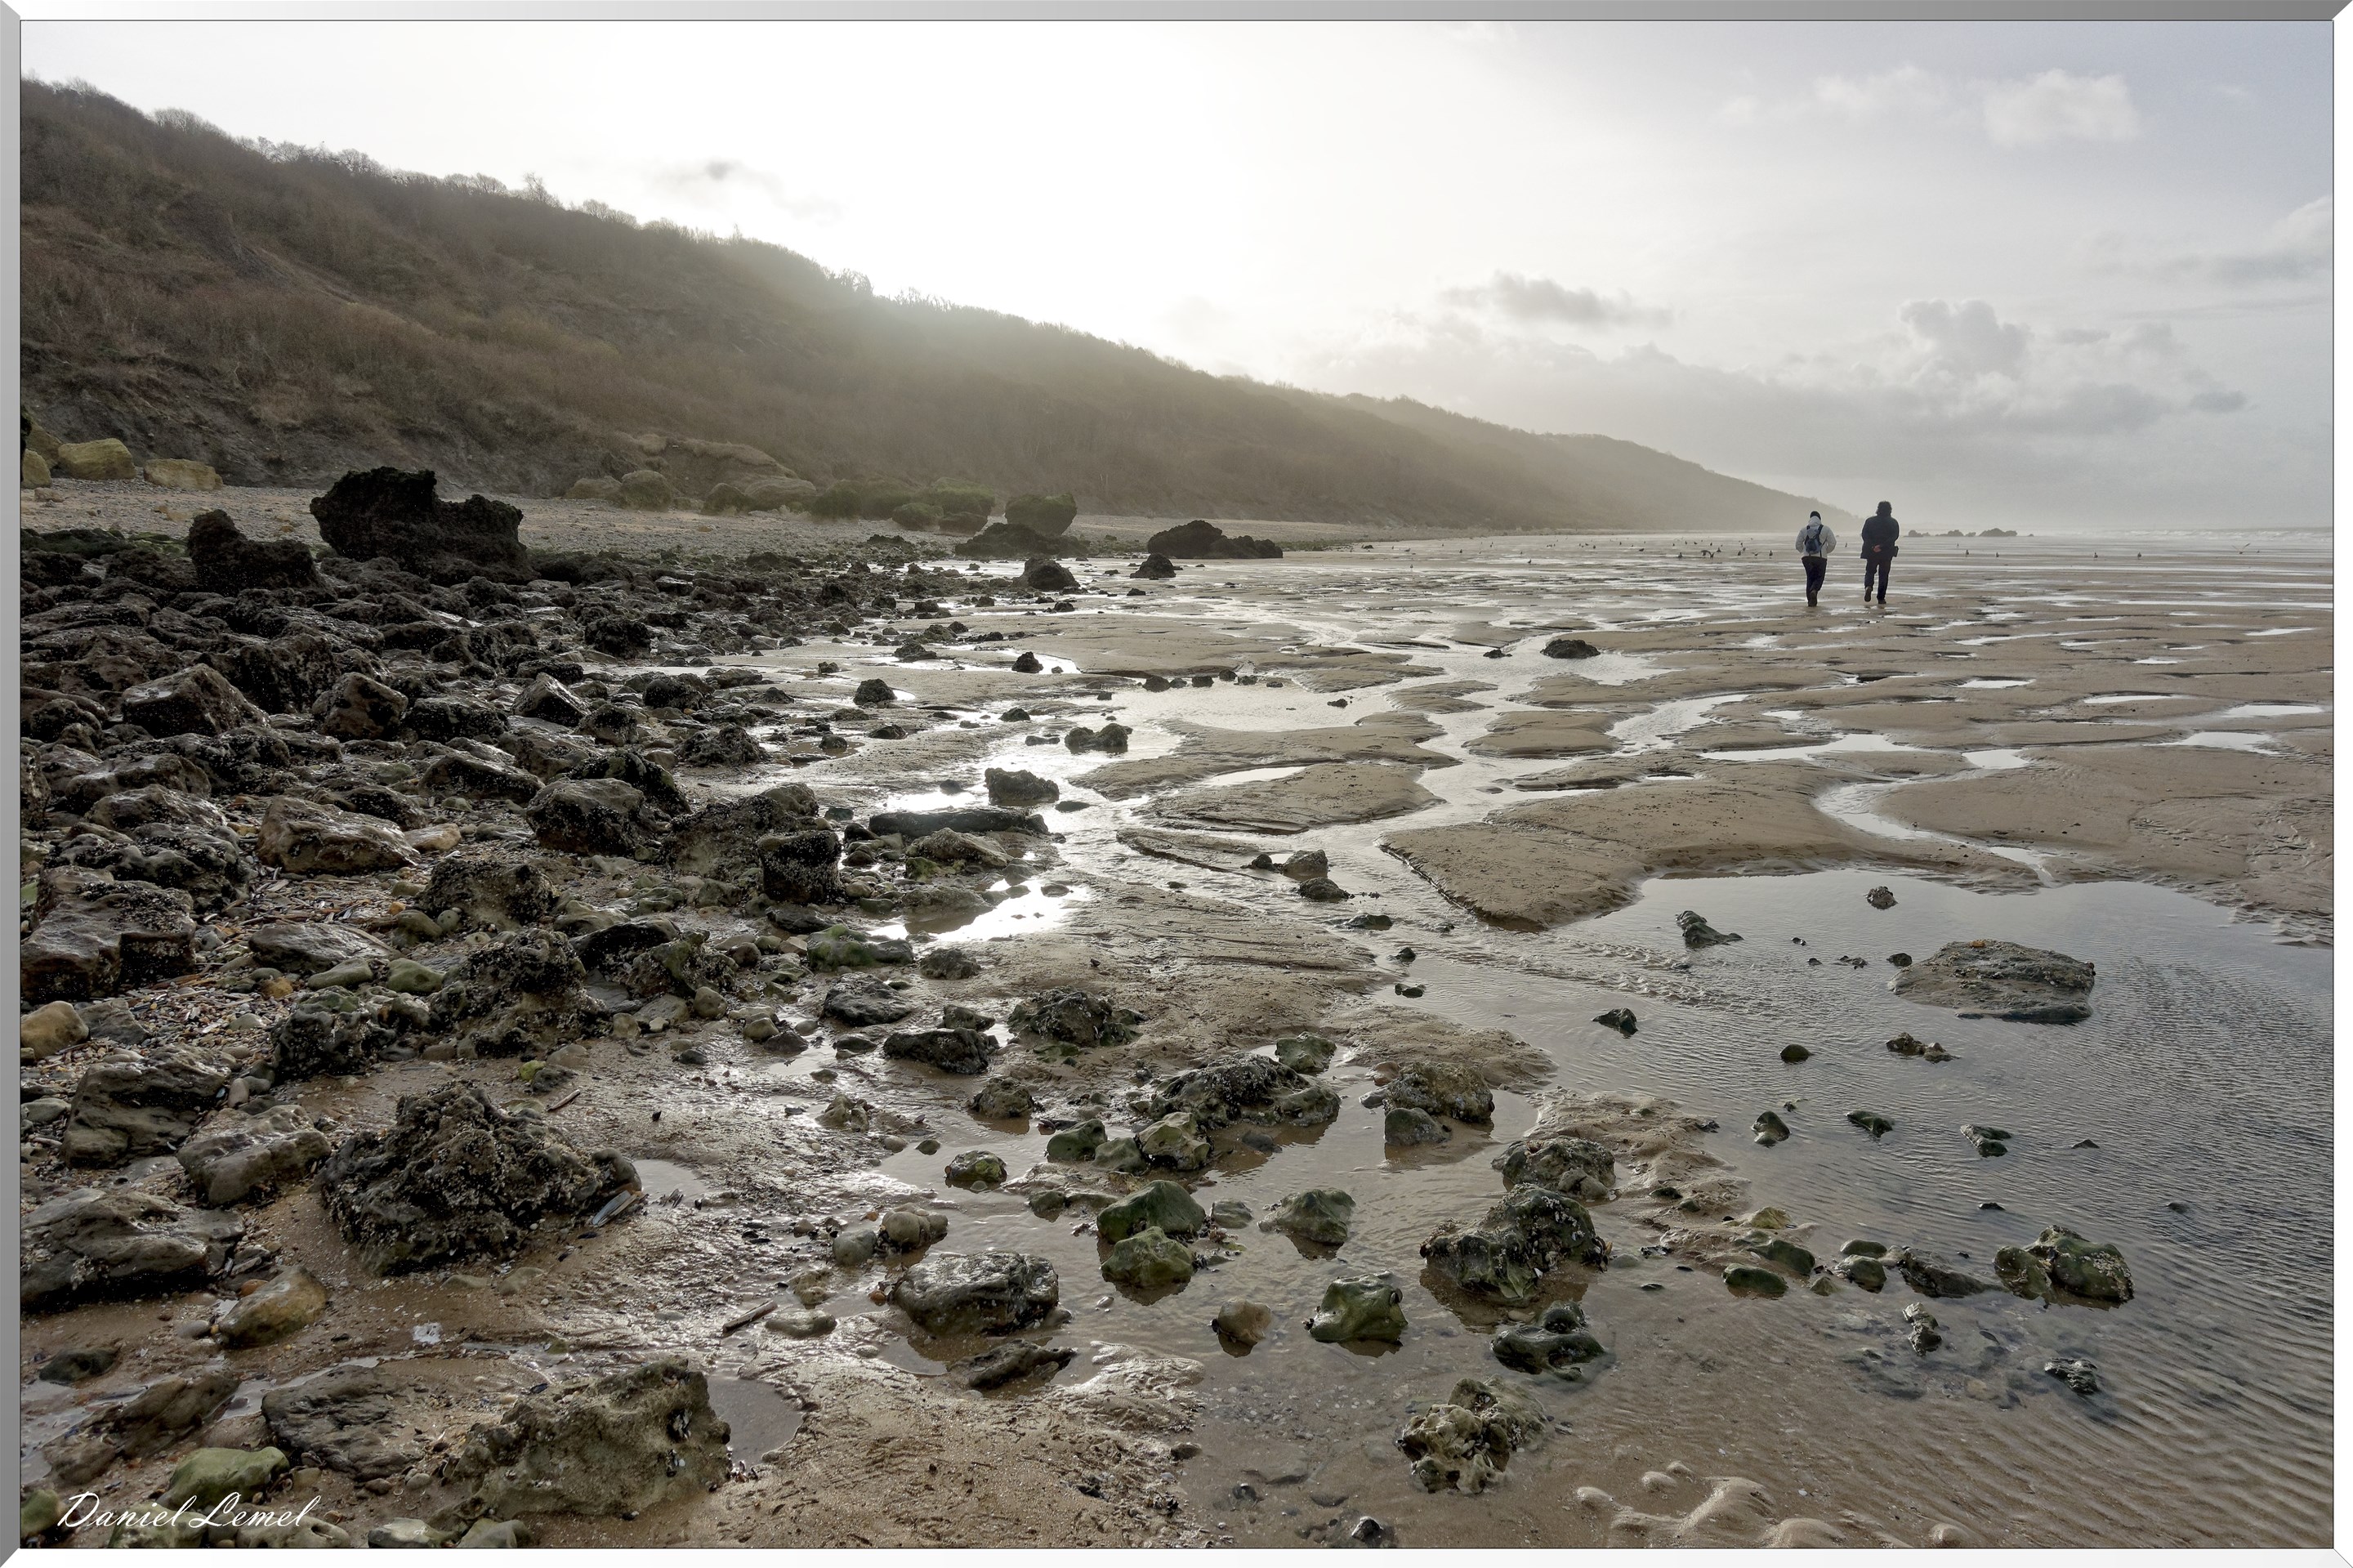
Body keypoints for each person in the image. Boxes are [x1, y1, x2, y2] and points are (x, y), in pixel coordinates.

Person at [1860, 501, 1900, 605]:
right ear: (1890, 510)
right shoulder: (1893, 522)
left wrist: (1873, 546)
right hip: (1886, 553)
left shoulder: (1869, 521)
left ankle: (1868, 586)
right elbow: (1894, 537)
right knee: (1884, 575)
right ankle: (1881, 598)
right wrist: (1882, 546)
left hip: (1872, 552)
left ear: (1878, 509)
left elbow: (1865, 535)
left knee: (1870, 571)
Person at [1794, 510, 1836, 606]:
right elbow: (1833, 543)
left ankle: (1811, 601)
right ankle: (1814, 590)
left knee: (1810, 578)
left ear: (1810, 519)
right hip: (1821, 558)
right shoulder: (1826, 529)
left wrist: (1803, 551)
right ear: (1820, 519)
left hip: (1806, 558)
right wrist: (1826, 551)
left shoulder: (1804, 529)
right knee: (1819, 577)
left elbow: (1797, 544)